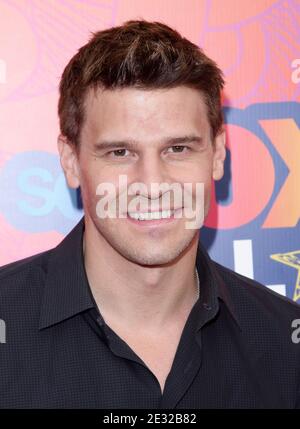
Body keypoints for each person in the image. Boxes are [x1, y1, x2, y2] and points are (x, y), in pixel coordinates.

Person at [0, 19, 299, 409]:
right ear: (71, 162)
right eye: (120, 152)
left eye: (178, 149)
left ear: (219, 154)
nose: (153, 184)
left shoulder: (285, 342)